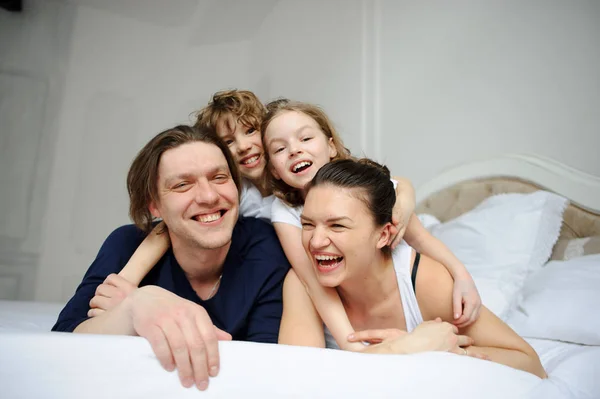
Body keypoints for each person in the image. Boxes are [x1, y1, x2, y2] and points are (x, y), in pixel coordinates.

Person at [91, 93, 480, 352]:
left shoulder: (363, 191)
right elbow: (169, 227)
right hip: (332, 294)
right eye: (229, 142)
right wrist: (127, 282)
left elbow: (410, 220)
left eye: (250, 133)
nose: (243, 146)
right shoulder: (249, 203)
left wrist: (458, 270)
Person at [52, 125, 290, 391]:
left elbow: (259, 370)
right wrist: (133, 309)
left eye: (219, 177)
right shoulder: (127, 244)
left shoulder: (267, 247)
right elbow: (63, 341)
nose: (209, 196)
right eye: (182, 184)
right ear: (154, 204)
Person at [280, 158, 547, 378]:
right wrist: (406, 348)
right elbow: (300, 381)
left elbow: (530, 364)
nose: (315, 241)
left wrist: (454, 354)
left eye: (337, 225)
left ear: (384, 235)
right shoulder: (302, 282)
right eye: (307, 225)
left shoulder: (424, 281)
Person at [262, 100, 482, 350]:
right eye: (279, 148)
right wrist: (354, 346)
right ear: (274, 170)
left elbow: (420, 238)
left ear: (331, 146)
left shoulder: (372, 190)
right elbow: (312, 280)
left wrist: (461, 275)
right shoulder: (284, 211)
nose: (294, 150)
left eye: (305, 139)